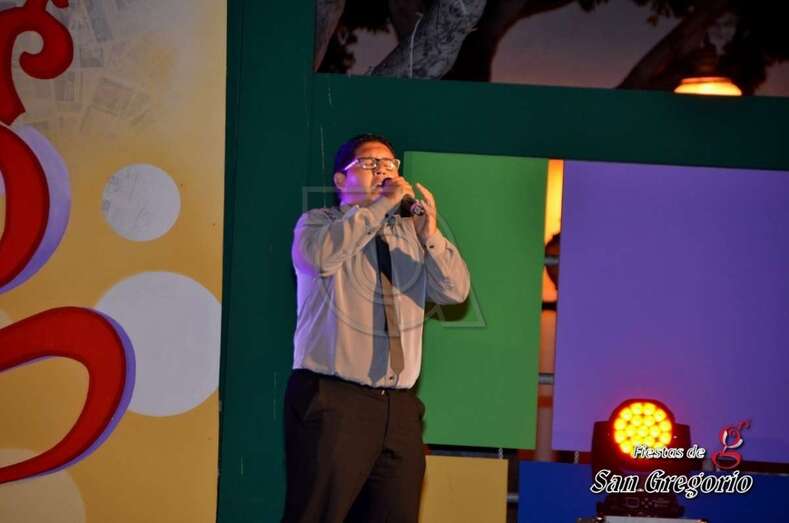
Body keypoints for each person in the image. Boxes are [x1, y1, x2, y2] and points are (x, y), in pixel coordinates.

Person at [283, 134, 471, 522]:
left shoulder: (409, 235)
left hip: (398, 409)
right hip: (334, 399)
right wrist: (379, 205)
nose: (383, 170)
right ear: (341, 180)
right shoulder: (319, 224)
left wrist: (430, 235)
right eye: (370, 164)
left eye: (390, 164)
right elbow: (319, 259)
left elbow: (455, 292)